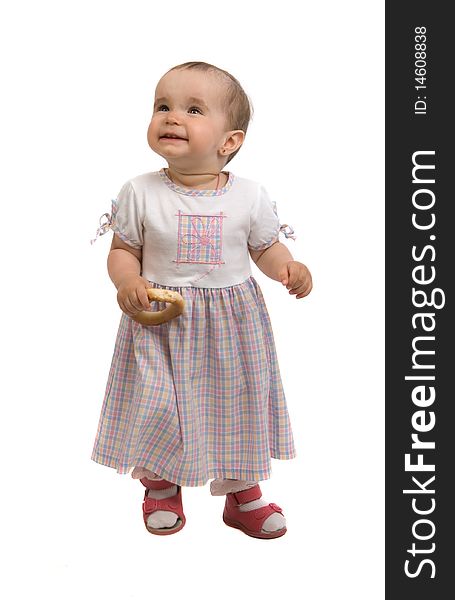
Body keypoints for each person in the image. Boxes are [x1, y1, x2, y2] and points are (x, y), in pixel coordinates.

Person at [91, 61, 312, 539]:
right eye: (162, 106)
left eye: (192, 109)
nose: (172, 117)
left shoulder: (250, 196)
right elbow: (123, 250)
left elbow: (264, 247)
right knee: (157, 404)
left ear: (228, 142)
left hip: (231, 325)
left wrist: (286, 268)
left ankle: (242, 491)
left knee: (237, 403)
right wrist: (126, 280)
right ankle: (162, 485)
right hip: (158, 319)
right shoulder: (140, 191)